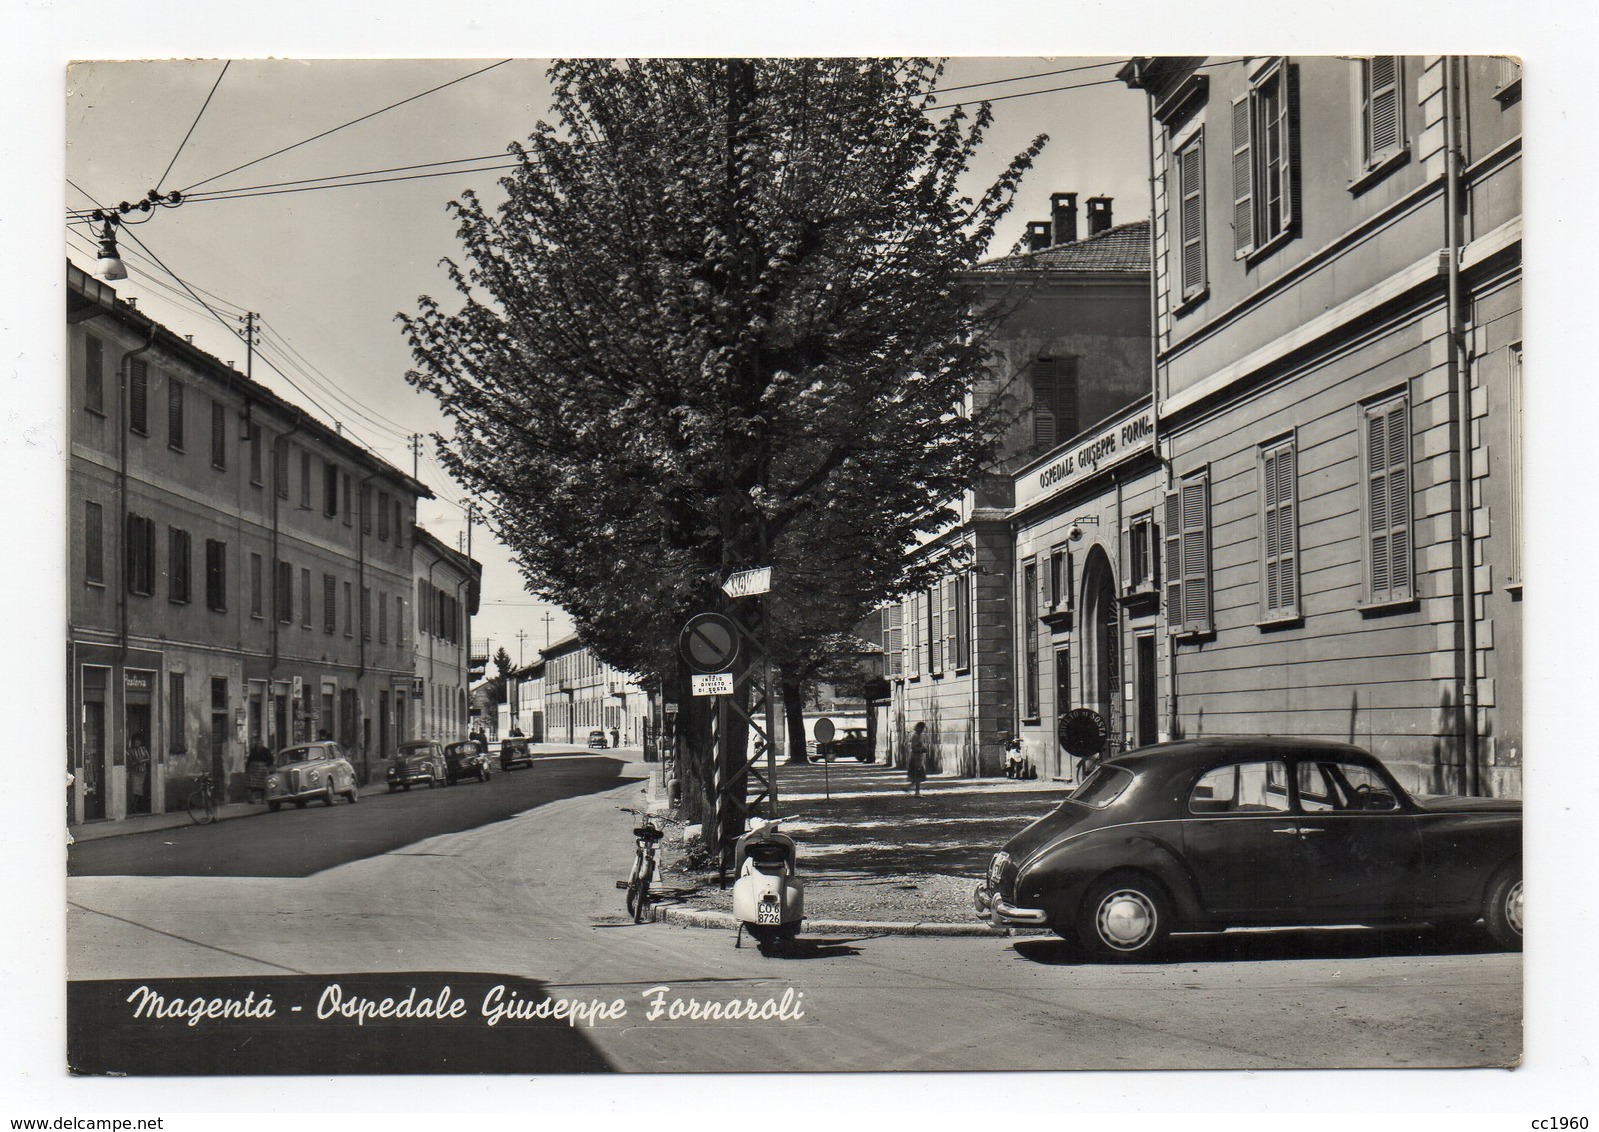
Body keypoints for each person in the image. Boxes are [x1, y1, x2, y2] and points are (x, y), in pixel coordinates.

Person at [127, 732, 151, 814]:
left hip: (142, 772)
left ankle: (137, 807)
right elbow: (130, 763)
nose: (138, 742)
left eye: (139, 741)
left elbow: (148, 759)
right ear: (133, 742)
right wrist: (137, 762)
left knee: (139, 791)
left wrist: (142, 761)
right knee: (134, 790)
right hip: (135, 772)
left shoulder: (143, 749)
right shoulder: (130, 751)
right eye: (136, 741)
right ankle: (133, 808)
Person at [907, 722, 929, 797]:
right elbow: (913, 748)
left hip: (918, 758)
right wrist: (923, 749)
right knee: (918, 775)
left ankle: (908, 788)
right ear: (918, 728)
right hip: (915, 759)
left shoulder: (919, 736)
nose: (923, 730)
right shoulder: (915, 736)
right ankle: (916, 792)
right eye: (922, 728)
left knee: (917, 776)